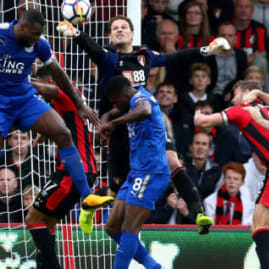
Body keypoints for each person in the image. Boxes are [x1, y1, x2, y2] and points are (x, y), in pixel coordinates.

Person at [0, 9, 111, 252]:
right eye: (35, 34)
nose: (37, 39)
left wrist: (80, 105)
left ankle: (87, 196)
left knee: (63, 134)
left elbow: (57, 72)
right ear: (23, 28)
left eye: (40, 35)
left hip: (24, 98)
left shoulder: (40, 43)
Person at [57, 16, 230, 234]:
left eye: (123, 27)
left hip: (145, 123)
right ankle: (89, 205)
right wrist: (75, 34)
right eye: (114, 28)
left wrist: (206, 50)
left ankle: (199, 214)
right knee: (116, 190)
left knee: (172, 162)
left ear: (132, 33)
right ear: (110, 36)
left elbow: (175, 57)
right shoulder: (108, 59)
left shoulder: (144, 55)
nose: (119, 30)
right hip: (118, 128)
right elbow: (92, 48)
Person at [195, 80, 269, 269]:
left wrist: (197, 114)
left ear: (246, 92)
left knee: (260, 225)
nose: (231, 98)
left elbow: (203, 122)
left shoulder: (243, 109)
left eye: (235, 92)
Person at [25, 66, 97, 268]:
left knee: (32, 218)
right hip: (81, 171)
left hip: (72, 172)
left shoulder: (64, 93)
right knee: (48, 222)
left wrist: (19, 82)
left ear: (48, 82)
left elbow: (53, 91)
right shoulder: (69, 102)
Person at [100, 76, 170, 269]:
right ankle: (154, 267)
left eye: (116, 101)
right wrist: (104, 121)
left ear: (124, 94)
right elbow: (110, 114)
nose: (116, 106)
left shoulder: (140, 99)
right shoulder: (127, 103)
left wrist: (114, 124)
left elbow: (145, 110)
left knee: (130, 228)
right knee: (112, 226)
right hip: (136, 173)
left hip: (152, 172)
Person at [204, 162, 255, 226]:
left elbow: (246, 227)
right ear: (224, 180)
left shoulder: (249, 205)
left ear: (242, 182)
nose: (232, 182)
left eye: (236, 179)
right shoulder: (209, 202)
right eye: (228, 178)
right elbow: (210, 228)